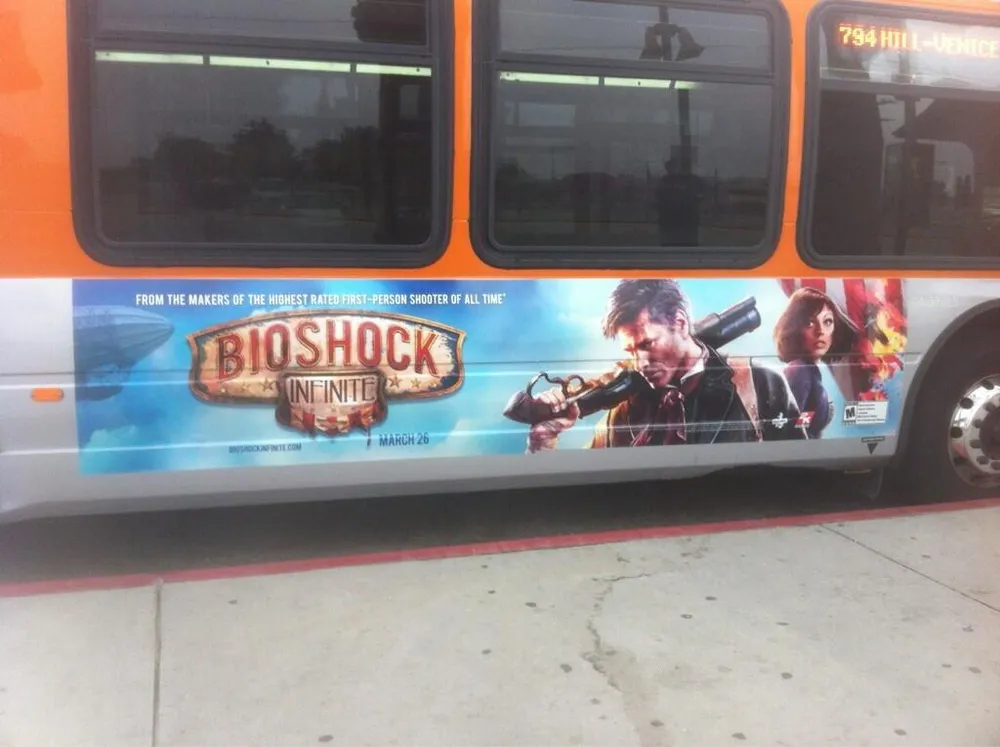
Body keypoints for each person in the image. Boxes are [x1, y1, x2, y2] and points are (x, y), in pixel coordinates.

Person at [527, 279, 807, 452]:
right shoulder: (625, 408)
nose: (640, 363)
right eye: (631, 351)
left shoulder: (757, 381)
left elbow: (795, 464)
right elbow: (586, 481)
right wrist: (543, 441)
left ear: (681, 323)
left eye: (647, 344)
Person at [772, 287, 861, 438]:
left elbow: (800, 423)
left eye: (827, 321)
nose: (820, 331)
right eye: (809, 323)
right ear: (795, 328)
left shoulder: (810, 370)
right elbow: (789, 427)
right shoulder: (800, 370)